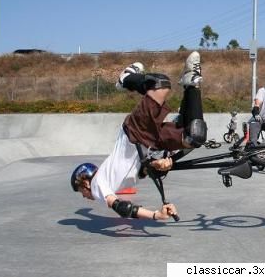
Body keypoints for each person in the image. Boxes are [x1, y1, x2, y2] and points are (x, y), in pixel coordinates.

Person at [70, 51, 207, 221]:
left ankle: (126, 78)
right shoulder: (118, 181)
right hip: (151, 142)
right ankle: (191, 82)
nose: (84, 196)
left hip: (134, 134)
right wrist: (159, 163)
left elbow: (122, 207)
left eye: (80, 191)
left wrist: (156, 215)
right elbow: (143, 167)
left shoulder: (97, 185)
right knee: (195, 136)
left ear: (84, 182)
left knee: (160, 84)